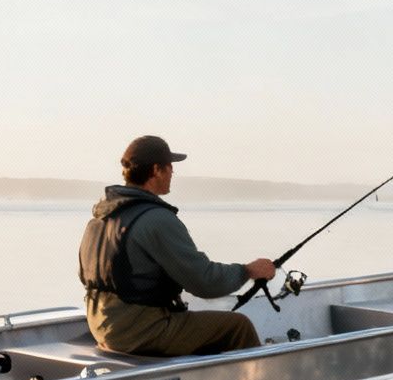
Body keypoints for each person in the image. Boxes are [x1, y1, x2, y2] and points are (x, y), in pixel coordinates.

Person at [78, 135, 277, 357]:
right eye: (170, 166)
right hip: (138, 331)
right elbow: (204, 282)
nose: (173, 172)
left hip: (103, 325)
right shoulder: (156, 219)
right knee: (238, 326)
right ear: (156, 170)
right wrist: (248, 270)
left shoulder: (102, 216)